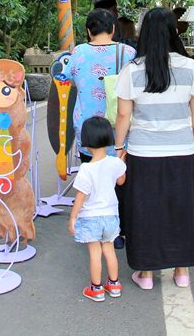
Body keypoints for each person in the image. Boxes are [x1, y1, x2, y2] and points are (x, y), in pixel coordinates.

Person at [114, 7, 194, 290]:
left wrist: (119, 147)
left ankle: (145, 274)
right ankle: (181, 272)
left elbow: (122, 116)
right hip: (181, 150)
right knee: (180, 209)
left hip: (143, 153)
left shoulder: (132, 69)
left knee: (145, 211)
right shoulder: (190, 67)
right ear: (173, 31)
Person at [66, 8, 137, 163]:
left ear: (89, 31)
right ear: (112, 29)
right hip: (121, 128)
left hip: (88, 128)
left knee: (92, 176)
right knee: (121, 179)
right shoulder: (129, 52)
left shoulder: (79, 52)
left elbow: (68, 80)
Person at [68, 117, 127, 302]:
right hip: (111, 216)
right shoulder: (114, 163)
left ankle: (96, 289)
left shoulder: (86, 169)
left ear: (86, 143)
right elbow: (121, 181)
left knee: (95, 252)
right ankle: (114, 284)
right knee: (109, 249)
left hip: (91, 217)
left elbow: (81, 196)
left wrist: (73, 217)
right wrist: (121, 161)